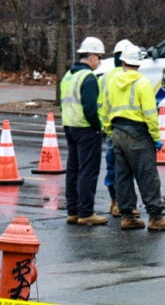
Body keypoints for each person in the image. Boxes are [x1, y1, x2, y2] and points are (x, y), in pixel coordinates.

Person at [101, 43, 165, 231]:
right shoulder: (143, 83)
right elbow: (150, 114)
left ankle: (127, 216)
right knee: (147, 175)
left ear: (123, 61)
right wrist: (156, 137)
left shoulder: (111, 81)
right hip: (138, 134)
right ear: (139, 63)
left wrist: (110, 131)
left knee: (123, 175)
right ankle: (156, 216)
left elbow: (105, 109)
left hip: (117, 132)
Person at [61, 36, 107, 226]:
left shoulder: (68, 75)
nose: (100, 61)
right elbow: (90, 108)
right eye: (99, 57)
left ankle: (73, 211)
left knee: (73, 169)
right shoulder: (88, 78)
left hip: (69, 126)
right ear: (92, 56)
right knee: (88, 171)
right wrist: (98, 127)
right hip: (86, 128)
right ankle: (86, 212)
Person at [98, 38, 133, 217]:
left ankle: (115, 202)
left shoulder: (105, 78)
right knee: (129, 168)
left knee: (113, 167)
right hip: (132, 130)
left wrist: (106, 128)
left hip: (112, 130)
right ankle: (128, 203)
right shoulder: (135, 76)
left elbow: (101, 105)